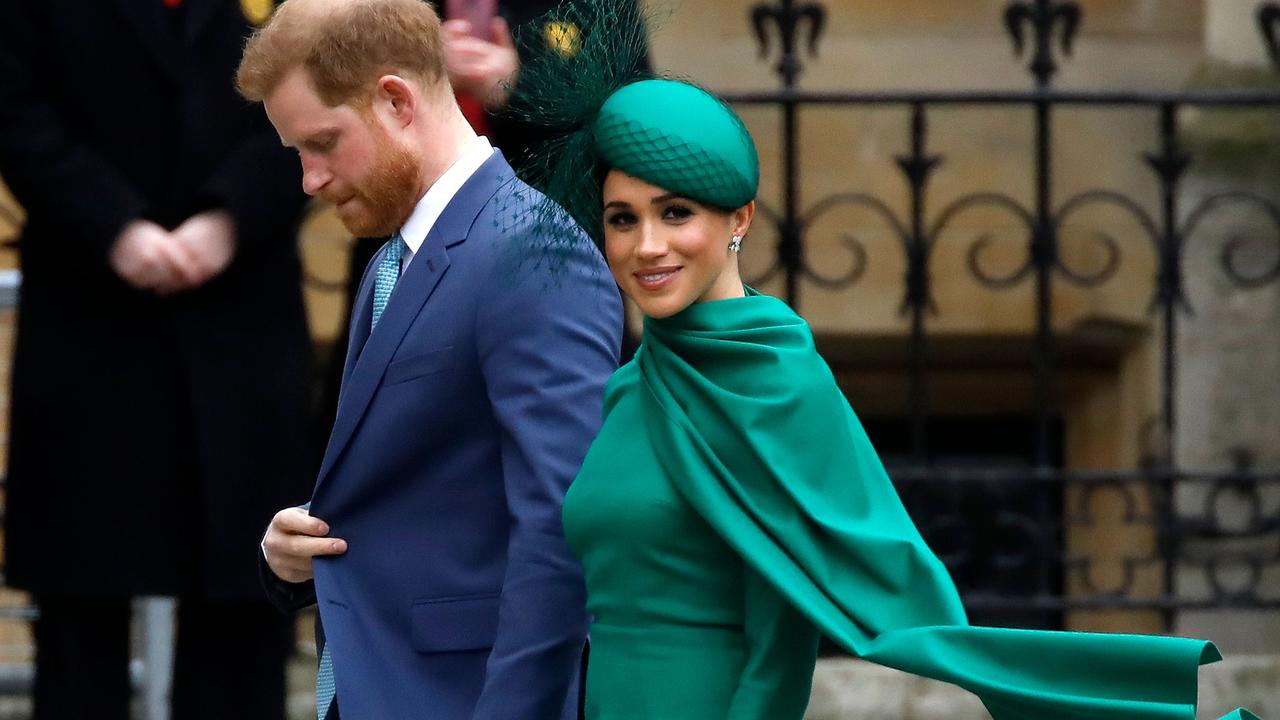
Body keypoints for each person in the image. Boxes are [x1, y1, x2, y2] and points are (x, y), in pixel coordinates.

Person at [502, 5, 1263, 719]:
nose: (647, 246)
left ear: (738, 219)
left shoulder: (776, 379)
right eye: (622, 220)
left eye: (676, 213)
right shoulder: (633, 382)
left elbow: (782, 637)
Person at [235, 0, 621, 717]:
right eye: (297, 154)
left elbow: (563, 537)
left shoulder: (533, 250)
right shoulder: (392, 260)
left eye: (322, 143)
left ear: (395, 100)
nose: (309, 180)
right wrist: (301, 549)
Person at [0, 1, 312, 717]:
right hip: (89, 319)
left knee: (247, 600)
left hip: (243, 317)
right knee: (80, 615)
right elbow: (14, 107)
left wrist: (231, 215)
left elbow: (330, 84)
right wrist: (113, 224)